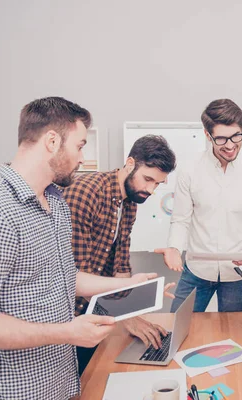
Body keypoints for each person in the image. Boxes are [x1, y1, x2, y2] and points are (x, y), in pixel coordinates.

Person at [0, 97, 164, 399]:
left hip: (61, 381)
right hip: (18, 391)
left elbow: (65, 277)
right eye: (79, 145)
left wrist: (127, 284)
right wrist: (67, 332)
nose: (83, 158)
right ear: (51, 141)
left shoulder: (55, 203)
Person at [63, 134, 177, 376]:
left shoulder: (130, 202)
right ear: (129, 163)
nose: (150, 190)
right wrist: (126, 317)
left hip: (95, 310)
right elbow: (75, 278)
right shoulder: (86, 193)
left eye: (158, 184)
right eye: (148, 179)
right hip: (69, 319)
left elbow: (121, 267)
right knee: (80, 385)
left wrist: (133, 311)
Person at [155, 99, 242, 312]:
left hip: (237, 273)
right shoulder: (190, 170)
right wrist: (174, 247)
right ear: (207, 134)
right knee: (176, 329)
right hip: (196, 269)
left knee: (235, 333)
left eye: (236, 136)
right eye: (221, 139)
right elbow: (181, 220)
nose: (230, 145)